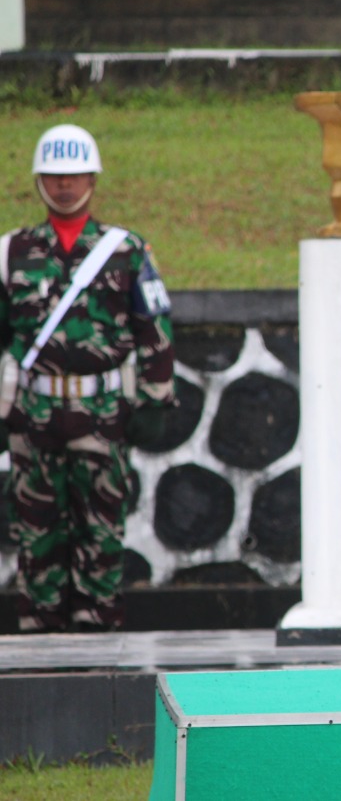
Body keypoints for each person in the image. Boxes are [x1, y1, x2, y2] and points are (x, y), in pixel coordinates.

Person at [2, 124, 174, 633]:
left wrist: (155, 399)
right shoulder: (13, 252)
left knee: (101, 529)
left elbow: (155, 327)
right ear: (38, 180)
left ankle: (98, 629)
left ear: (92, 177)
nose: (64, 185)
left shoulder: (127, 250)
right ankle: (40, 627)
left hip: (102, 415)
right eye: (54, 176)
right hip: (33, 414)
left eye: (74, 174)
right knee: (36, 530)